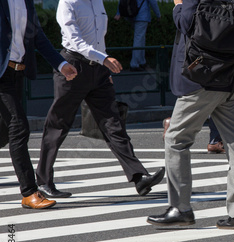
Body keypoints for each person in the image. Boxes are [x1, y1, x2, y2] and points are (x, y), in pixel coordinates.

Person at [36, 0, 165, 199]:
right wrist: (103, 59)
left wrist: (103, 65)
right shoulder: (67, 3)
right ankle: (43, 181)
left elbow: (98, 38)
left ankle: (139, 177)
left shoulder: (97, 2)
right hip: (73, 66)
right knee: (58, 124)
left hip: (98, 70)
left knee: (113, 122)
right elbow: (74, 39)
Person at [146, 0, 234, 230]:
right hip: (232, 78)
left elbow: (185, 22)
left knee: (176, 140)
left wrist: (178, 5)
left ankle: (180, 208)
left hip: (201, 79)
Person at [0, 0, 77, 209]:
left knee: (4, 131)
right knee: (18, 127)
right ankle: (29, 192)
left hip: (17, 73)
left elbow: (36, 36)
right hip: (1, 76)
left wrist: (60, 64)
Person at [114, 0, 161, 71]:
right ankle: (134, 64)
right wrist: (158, 15)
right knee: (139, 39)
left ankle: (142, 61)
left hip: (131, 15)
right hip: (142, 15)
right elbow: (153, 2)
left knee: (140, 39)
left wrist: (118, 13)